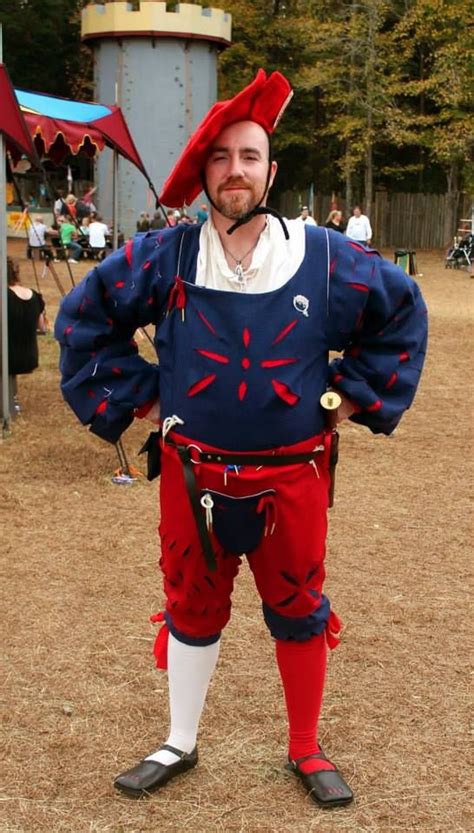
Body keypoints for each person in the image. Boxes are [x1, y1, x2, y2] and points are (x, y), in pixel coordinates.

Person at [55, 70, 427, 809]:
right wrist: (143, 395)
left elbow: (402, 312)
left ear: (271, 170)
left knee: (298, 606)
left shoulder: (322, 257)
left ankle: (305, 746)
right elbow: (83, 318)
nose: (235, 171)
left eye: (249, 157)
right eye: (221, 158)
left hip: (293, 480)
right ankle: (179, 740)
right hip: (195, 479)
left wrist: (349, 398)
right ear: (204, 173)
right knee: (190, 606)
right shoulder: (167, 257)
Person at [7, 257, 46, 413]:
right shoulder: (34, 296)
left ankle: (9, 400)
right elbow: (42, 327)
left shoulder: (4, 296)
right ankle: (12, 398)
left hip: (7, 356)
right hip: (28, 354)